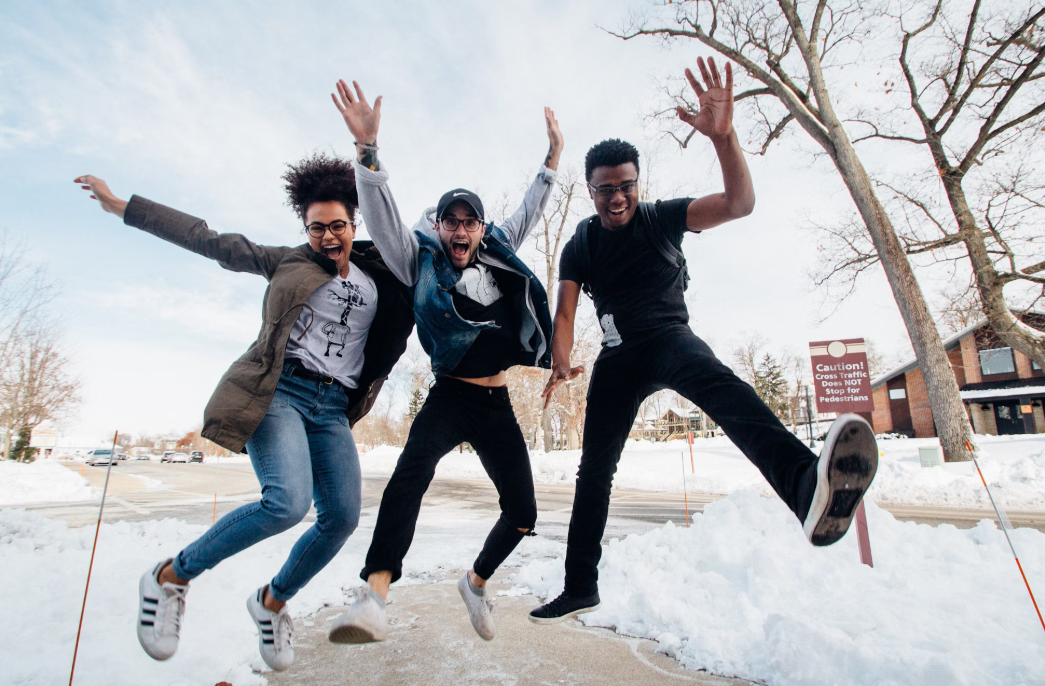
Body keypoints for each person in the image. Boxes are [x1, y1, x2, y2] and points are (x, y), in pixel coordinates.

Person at [529, 57, 879, 624]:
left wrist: (724, 138)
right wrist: (561, 361)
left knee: (724, 389)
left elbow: (739, 204)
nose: (616, 198)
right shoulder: (582, 243)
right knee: (594, 470)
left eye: (625, 187)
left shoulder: (663, 217)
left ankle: (805, 485)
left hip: (669, 338)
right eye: (603, 190)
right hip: (618, 359)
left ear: (637, 184)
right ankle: (579, 585)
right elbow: (564, 310)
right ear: (589, 190)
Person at [73, 153, 414, 671]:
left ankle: (271, 602)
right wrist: (125, 207)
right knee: (286, 503)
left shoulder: (380, 272)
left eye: (338, 226)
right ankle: (170, 576)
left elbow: (421, 255)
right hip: (278, 393)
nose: (328, 237)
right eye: (316, 228)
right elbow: (208, 239)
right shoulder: (287, 261)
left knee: (342, 518)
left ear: (353, 223)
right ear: (306, 228)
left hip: (332, 409)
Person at [323, 80, 561, 643]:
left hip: (496, 400)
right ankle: (374, 596)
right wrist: (368, 155)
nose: (459, 230)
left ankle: (475, 582)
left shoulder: (498, 249)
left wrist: (552, 158)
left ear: (480, 228)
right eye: (450, 222)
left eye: (468, 222)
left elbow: (529, 211)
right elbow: (382, 221)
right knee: (408, 478)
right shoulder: (418, 260)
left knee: (524, 513)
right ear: (440, 227)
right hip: (450, 394)